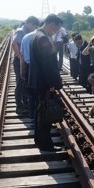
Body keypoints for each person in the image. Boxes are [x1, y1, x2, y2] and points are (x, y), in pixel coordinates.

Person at [27, 14, 63, 152]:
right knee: (45, 114)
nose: (56, 31)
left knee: (40, 113)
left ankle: (40, 141)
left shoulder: (35, 36)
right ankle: (46, 144)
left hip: (37, 81)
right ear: (50, 24)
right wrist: (52, 84)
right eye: (56, 27)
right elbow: (48, 64)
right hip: (43, 83)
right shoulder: (43, 38)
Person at [11, 16, 40, 115]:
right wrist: (20, 58)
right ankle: (19, 106)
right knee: (20, 83)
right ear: (30, 23)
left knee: (24, 83)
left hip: (22, 61)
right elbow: (14, 43)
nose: (35, 28)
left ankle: (25, 104)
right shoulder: (21, 31)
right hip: (19, 61)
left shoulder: (26, 32)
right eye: (34, 26)